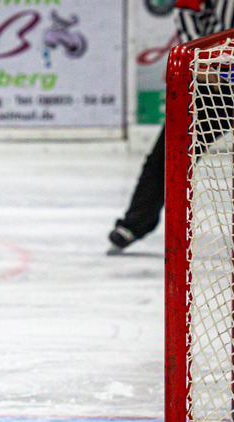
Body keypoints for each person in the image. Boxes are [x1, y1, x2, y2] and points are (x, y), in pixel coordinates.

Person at [110, 0, 234, 251]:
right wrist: (209, 68)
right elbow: (190, 35)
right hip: (218, 85)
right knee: (171, 152)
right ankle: (135, 222)